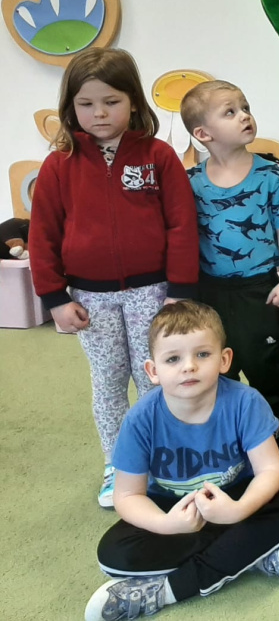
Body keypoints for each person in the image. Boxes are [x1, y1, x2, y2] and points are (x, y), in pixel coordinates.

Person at [29, 47, 198, 507]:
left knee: (156, 379)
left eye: (111, 101)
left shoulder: (159, 156)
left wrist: (179, 291)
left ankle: (163, 460)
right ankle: (118, 466)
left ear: (133, 102)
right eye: (86, 104)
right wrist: (54, 297)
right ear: (70, 107)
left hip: (153, 291)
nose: (99, 113)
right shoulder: (58, 165)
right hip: (89, 296)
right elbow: (42, 234)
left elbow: (182, 224)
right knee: (108, 382)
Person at [84, 303, 279, 621]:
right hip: (170, 507)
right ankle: (251, 553)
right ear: (153, 371)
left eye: (202, 354)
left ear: (224, 360)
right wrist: (167, 524)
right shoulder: (139, 419)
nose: (189, 366)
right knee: (113, 554)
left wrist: (238, 510)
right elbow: (128, 495)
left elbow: (270, 470)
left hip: (234, 497)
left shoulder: (245, 402)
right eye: (173, 359)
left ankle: (171, 589)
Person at [180, 80, 279, 457]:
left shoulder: (271, 174)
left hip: (260, 287)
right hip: (209, 290)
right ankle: (228, 428)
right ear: (203, 134)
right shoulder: (191, 182)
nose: (244, 116)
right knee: (218, 364)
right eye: (230, 112)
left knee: (265, 362)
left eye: (245, 107)